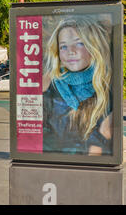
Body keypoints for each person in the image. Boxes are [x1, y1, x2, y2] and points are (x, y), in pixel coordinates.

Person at [42, 16, 112, 156]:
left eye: (79, 43)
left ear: (94, 46)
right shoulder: (51, 85)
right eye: (63, 46)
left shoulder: (107, 87)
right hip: (56, 164)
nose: (71, 51)